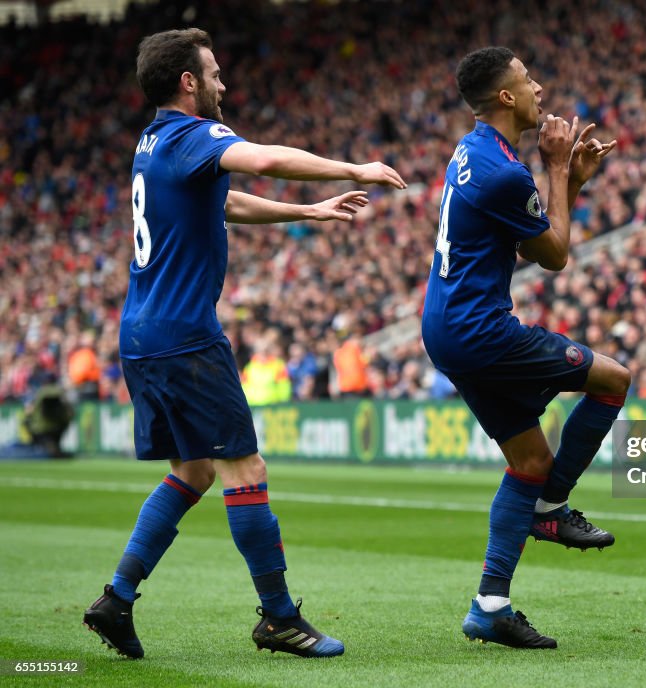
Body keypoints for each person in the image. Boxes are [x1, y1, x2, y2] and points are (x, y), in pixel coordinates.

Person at [83, 28, 405, 660]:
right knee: (245, 469)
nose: (223, 84)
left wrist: (307, 212)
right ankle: (279, 618)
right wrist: (352, 167)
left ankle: (117, 600)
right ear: (188, 83)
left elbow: (221, 203)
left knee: (194, 471)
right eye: (214, 73)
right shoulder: (192, 134)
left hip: (142, 333)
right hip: (184, 334)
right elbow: (260, 159)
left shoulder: (152, 142)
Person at [421, 47, 631, 649]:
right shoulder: (508, 171)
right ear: (507, 97)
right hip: (479, 328)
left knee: (530, 462)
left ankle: (490, 605)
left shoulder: (475, 151)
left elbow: (524, 238)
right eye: (528, 79)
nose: (540, 86)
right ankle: (552, 507)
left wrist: (571, 180)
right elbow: (557, 256)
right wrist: (560, 169)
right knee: (613, 379)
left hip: (446, 325)